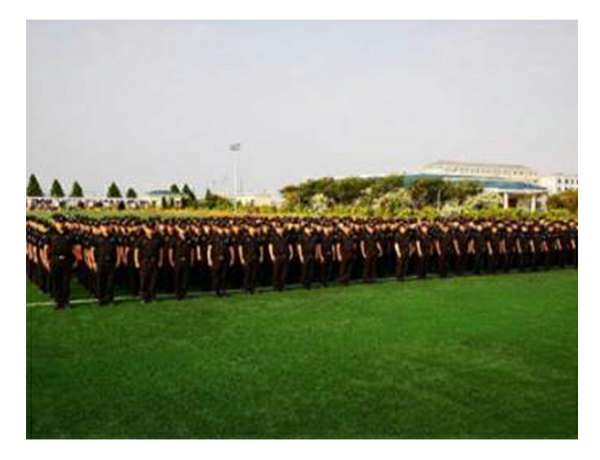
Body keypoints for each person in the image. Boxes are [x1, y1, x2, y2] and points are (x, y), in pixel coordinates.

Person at [44, 216, 76, 310]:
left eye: (62, 222)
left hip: (67, 260)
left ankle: (66, 301)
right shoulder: (50, 233)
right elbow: (46, 248)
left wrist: (76, 260)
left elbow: (75, 248)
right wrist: (46, 260)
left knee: (66, 282)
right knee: (56, 282)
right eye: (58, 222)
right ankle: (58, 302)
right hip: (55, 259)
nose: (60, 224)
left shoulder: (70, 234)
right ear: (55, 223)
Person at [89, 221, 118, 305]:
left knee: (110, 281)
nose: (105, 228)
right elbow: (92, 251)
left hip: (111, 262)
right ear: (100, 228)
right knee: (100, 281)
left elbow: (117, 250)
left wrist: (118, 260)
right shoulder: (96, 238)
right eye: (103, 226)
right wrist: (93, 262)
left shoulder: (113, 237)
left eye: (107, 226)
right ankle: (101, 298)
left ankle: (110, 298)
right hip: (100, 262)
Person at [134, 222, 163, 303]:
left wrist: (160, 260)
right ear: (146, 229)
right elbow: (136, 250)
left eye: (152, 229)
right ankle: (144, 297)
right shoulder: (141, 238)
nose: (150, 230)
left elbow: (160, 251)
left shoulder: (158, 239)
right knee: (144, 280)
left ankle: (153, 296)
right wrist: (136, 261)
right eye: (149, 229)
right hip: (144, 261)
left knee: (153, 280)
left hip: (154, 261)